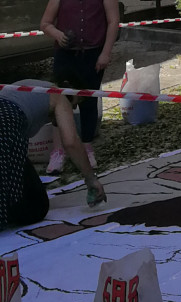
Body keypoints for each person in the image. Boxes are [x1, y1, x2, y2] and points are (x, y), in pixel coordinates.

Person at [40, 0, 120, 172]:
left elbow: (113, 22)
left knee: (88, 102)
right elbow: (45, 23)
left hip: (92, 55)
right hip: (65, 56)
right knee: (59, 103)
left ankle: (86, 147)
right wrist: (57, 34)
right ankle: (58, 151)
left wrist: (105, 53)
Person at [0, 81, 104, 226]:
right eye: (75, 102)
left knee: (26, 185)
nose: (73, 108)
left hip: (9, 122)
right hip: (6, 124)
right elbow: (71, 142)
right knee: (24, 205)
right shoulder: (59, 96)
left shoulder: (32, 87)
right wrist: (90, 179)